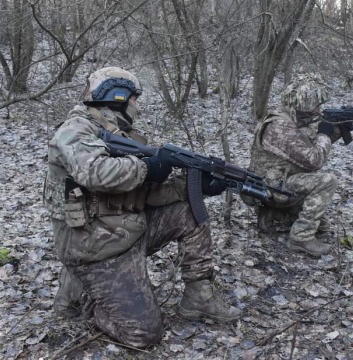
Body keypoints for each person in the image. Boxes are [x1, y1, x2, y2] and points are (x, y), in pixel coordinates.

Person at [42, 67, 241, 348]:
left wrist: (193, 187)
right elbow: (94, 173)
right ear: (117, 96)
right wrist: (147, 167)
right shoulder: (75, 130)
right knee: (143, 335)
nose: (137, 104)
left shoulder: (125, 135)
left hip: (126, 231)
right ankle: (83, 293)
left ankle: (198, 296)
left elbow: (144, 193)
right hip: (93, 248)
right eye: (134, 98)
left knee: (190, 211)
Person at [242, 73, 342, 258]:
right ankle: (300, 238)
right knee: (328, 181)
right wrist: (325, 135)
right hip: (270, 188)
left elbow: (305, 151)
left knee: (323, 226)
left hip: (275, 183)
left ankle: (273, 214)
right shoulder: (280, 127)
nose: (319, 109)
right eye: (316, 105)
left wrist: (334, 132)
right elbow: (314, 161)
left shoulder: (290, 120)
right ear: (305, 103)